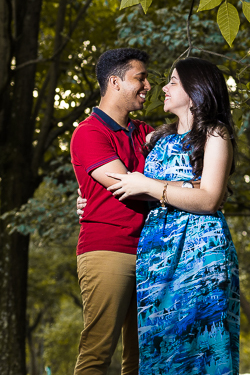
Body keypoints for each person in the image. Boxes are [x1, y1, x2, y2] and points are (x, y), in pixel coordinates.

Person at [106, 57, 240, 375]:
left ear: (196, 92)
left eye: (174, 82)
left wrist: (151, 186)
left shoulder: (215, 135)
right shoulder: (155, 140)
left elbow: (209, 199)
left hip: (201, 251)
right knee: (159, 346)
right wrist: (85, 199)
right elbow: (126, 182)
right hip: (156, 253)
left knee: (203, 346)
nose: (163, 87)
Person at [71, 48, 153, 375]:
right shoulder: (89, 132)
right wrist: (178, 188)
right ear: (115, 82)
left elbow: (174, 173)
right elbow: (126, 185)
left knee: (143, 357)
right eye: (140, 78)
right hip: (108, 248)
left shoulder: (146, 132)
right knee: (97, 352)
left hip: (151, 251)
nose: (148, 86)